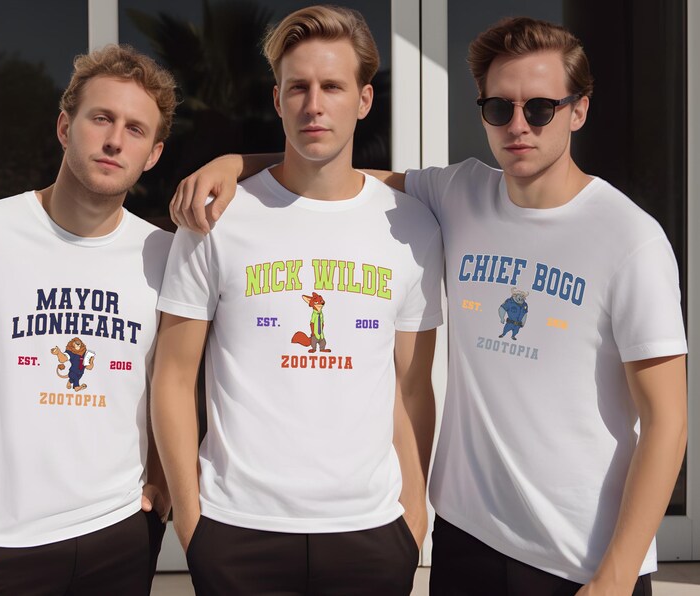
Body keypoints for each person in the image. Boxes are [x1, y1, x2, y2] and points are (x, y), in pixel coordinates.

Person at [169, 16, 688, 596]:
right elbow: (331, 173)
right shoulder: (461, 194)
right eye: (499, 109)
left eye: (540, 108)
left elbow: (668, 421)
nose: (519, 126)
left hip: (581, 561)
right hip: (468, 542)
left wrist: (616, 575)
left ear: (578, 110)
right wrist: (236, 164)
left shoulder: (629, 239)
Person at [151, 5, 443, 595]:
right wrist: (191, 519)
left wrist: (414, 518)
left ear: (363, 100)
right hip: (236, 529)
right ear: (277, 97)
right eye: (299, 87)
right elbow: (174, 376)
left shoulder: (411, 226)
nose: (314, 105)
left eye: (332, 87)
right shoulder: (218, 218)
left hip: (370, 530)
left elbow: (412, 386)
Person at [0, 44, 176, 595]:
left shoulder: (166, 257)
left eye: (135, 129)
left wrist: (163, 485)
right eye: (101, 118)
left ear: (152, 154)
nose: (114, 140)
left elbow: (182, 379)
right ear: (64, 125)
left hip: (119, 533)